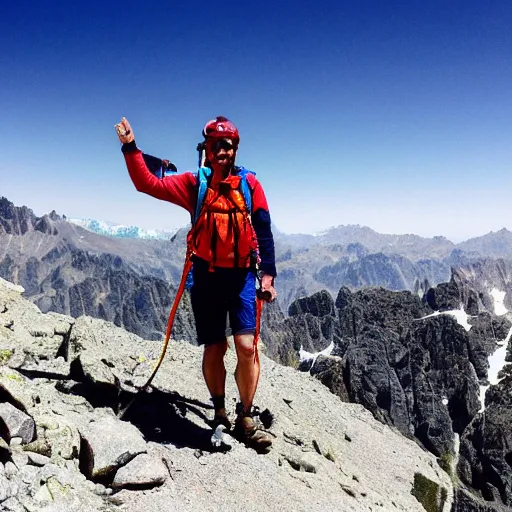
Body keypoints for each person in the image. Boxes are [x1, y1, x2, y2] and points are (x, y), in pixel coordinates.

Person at [115, 116, 277, 450]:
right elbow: (148, 183)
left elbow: (263, 231)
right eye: (217, 145)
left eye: (228, 145)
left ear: (235, 148)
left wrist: (269, 276)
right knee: (215, 347)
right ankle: (219, 410)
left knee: (247, 348)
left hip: (243, 277)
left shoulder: (250, 185)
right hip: (206, 277)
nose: (223, 151)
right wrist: (130, 147)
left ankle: (245, 416)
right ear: (207, 148)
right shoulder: (195, 184)